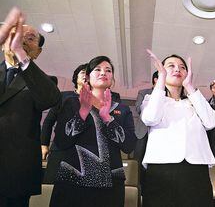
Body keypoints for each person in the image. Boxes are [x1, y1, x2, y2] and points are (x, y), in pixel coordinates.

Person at [49, 56, 136, 207]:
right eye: (98, 69)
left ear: (112, 79)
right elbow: (61, 141)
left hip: (111, 182)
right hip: (73, 178)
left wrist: (108, 118)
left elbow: (129, 145)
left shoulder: (122, 109)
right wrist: (83, 112)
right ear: (87, 77)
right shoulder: (71, 103)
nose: (103, 73)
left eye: (108, 70)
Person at [141, 50, 215, 207]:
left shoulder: (195, 99)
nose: (177, 69)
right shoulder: (152, 99)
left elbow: (211, 122)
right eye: (171, 66)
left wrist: (189, 86)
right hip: (162, 169)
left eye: (182, 67)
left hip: (196, 168)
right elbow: (150, 118)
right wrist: (161, 80)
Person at [0, 8, 61, 207]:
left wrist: (19, 52)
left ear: (38, 51)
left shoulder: (44, 81)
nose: (23, 39)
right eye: (16, 35)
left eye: (30, 38)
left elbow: (50, 99)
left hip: (16, 172)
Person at [41, 63, 87, 183]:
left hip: (84, 152)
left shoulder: (96, 100)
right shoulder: (63, 96)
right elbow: (48, 122)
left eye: (89, 73)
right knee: (52, 183)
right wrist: (44, 144)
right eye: (83, 72)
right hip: (60, 149)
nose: (85, 75)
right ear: (75, 77)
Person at [133, 70, 158, 192]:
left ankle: (152, 189)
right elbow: (138, 108)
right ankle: (137, 189)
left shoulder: (168, 95)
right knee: (138, 160)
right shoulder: (143, 93)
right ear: (155, 80)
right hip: (142, 132)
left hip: (158, 133)